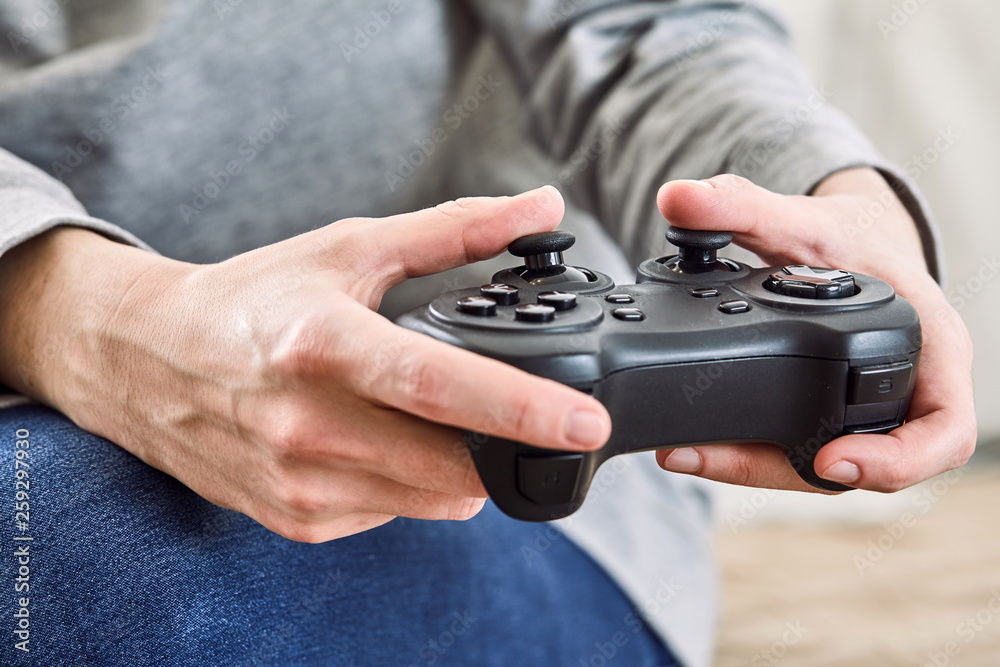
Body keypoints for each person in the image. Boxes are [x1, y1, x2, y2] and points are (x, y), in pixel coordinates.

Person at [0, 1, 975, 665]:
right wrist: (75, 313)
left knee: (44, 530)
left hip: (472, 466)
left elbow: (641, 30)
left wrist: (823, 198)